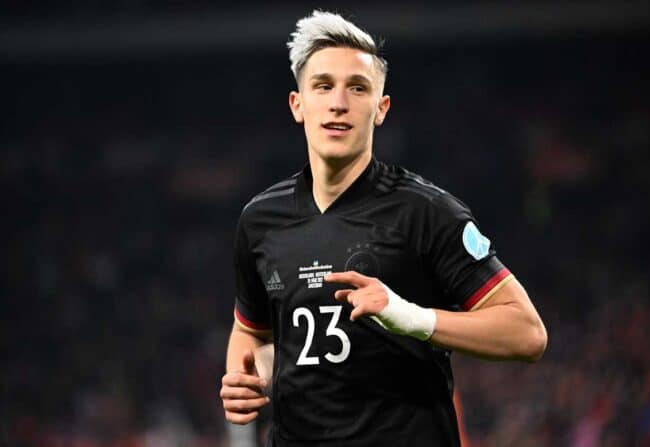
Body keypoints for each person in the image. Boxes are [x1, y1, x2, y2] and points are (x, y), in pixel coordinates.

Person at [220, 10, 547, 447]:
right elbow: (253, 332)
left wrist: (409, 317)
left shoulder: (426, 212)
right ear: (298, 104)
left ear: (381, 108)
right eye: (323, 86)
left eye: (358, 87)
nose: (339, 102)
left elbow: (527, 333)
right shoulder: (260, 221)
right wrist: (250, 378)